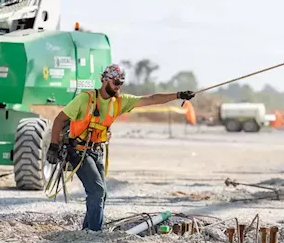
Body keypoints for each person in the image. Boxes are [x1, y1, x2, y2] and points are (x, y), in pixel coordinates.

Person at [45, 64, 196, 231]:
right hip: (79, 151)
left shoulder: (119, 102)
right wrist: (53, 146)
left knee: (102, 194)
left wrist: (178, 95)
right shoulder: (85, 99)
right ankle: (94, 233)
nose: (118, 86)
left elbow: (151, 99)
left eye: (121, 83)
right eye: (116, 82)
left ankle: (88, 230)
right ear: (105, 80)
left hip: (96, 151)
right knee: (97, 191)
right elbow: (59, 119)